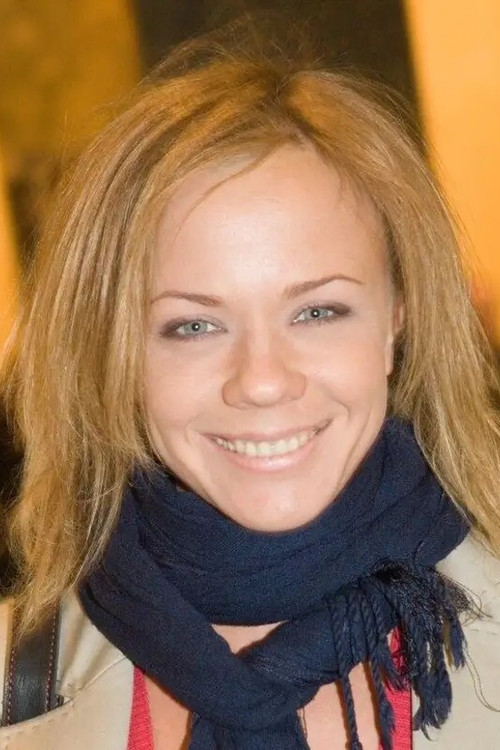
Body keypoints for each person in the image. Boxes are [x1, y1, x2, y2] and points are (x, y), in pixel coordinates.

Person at [1, 29, 500, 750]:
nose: (262, 381)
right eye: (193, 326)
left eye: (318, 312)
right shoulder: (18, 680)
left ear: (397, 318)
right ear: (113, 352)